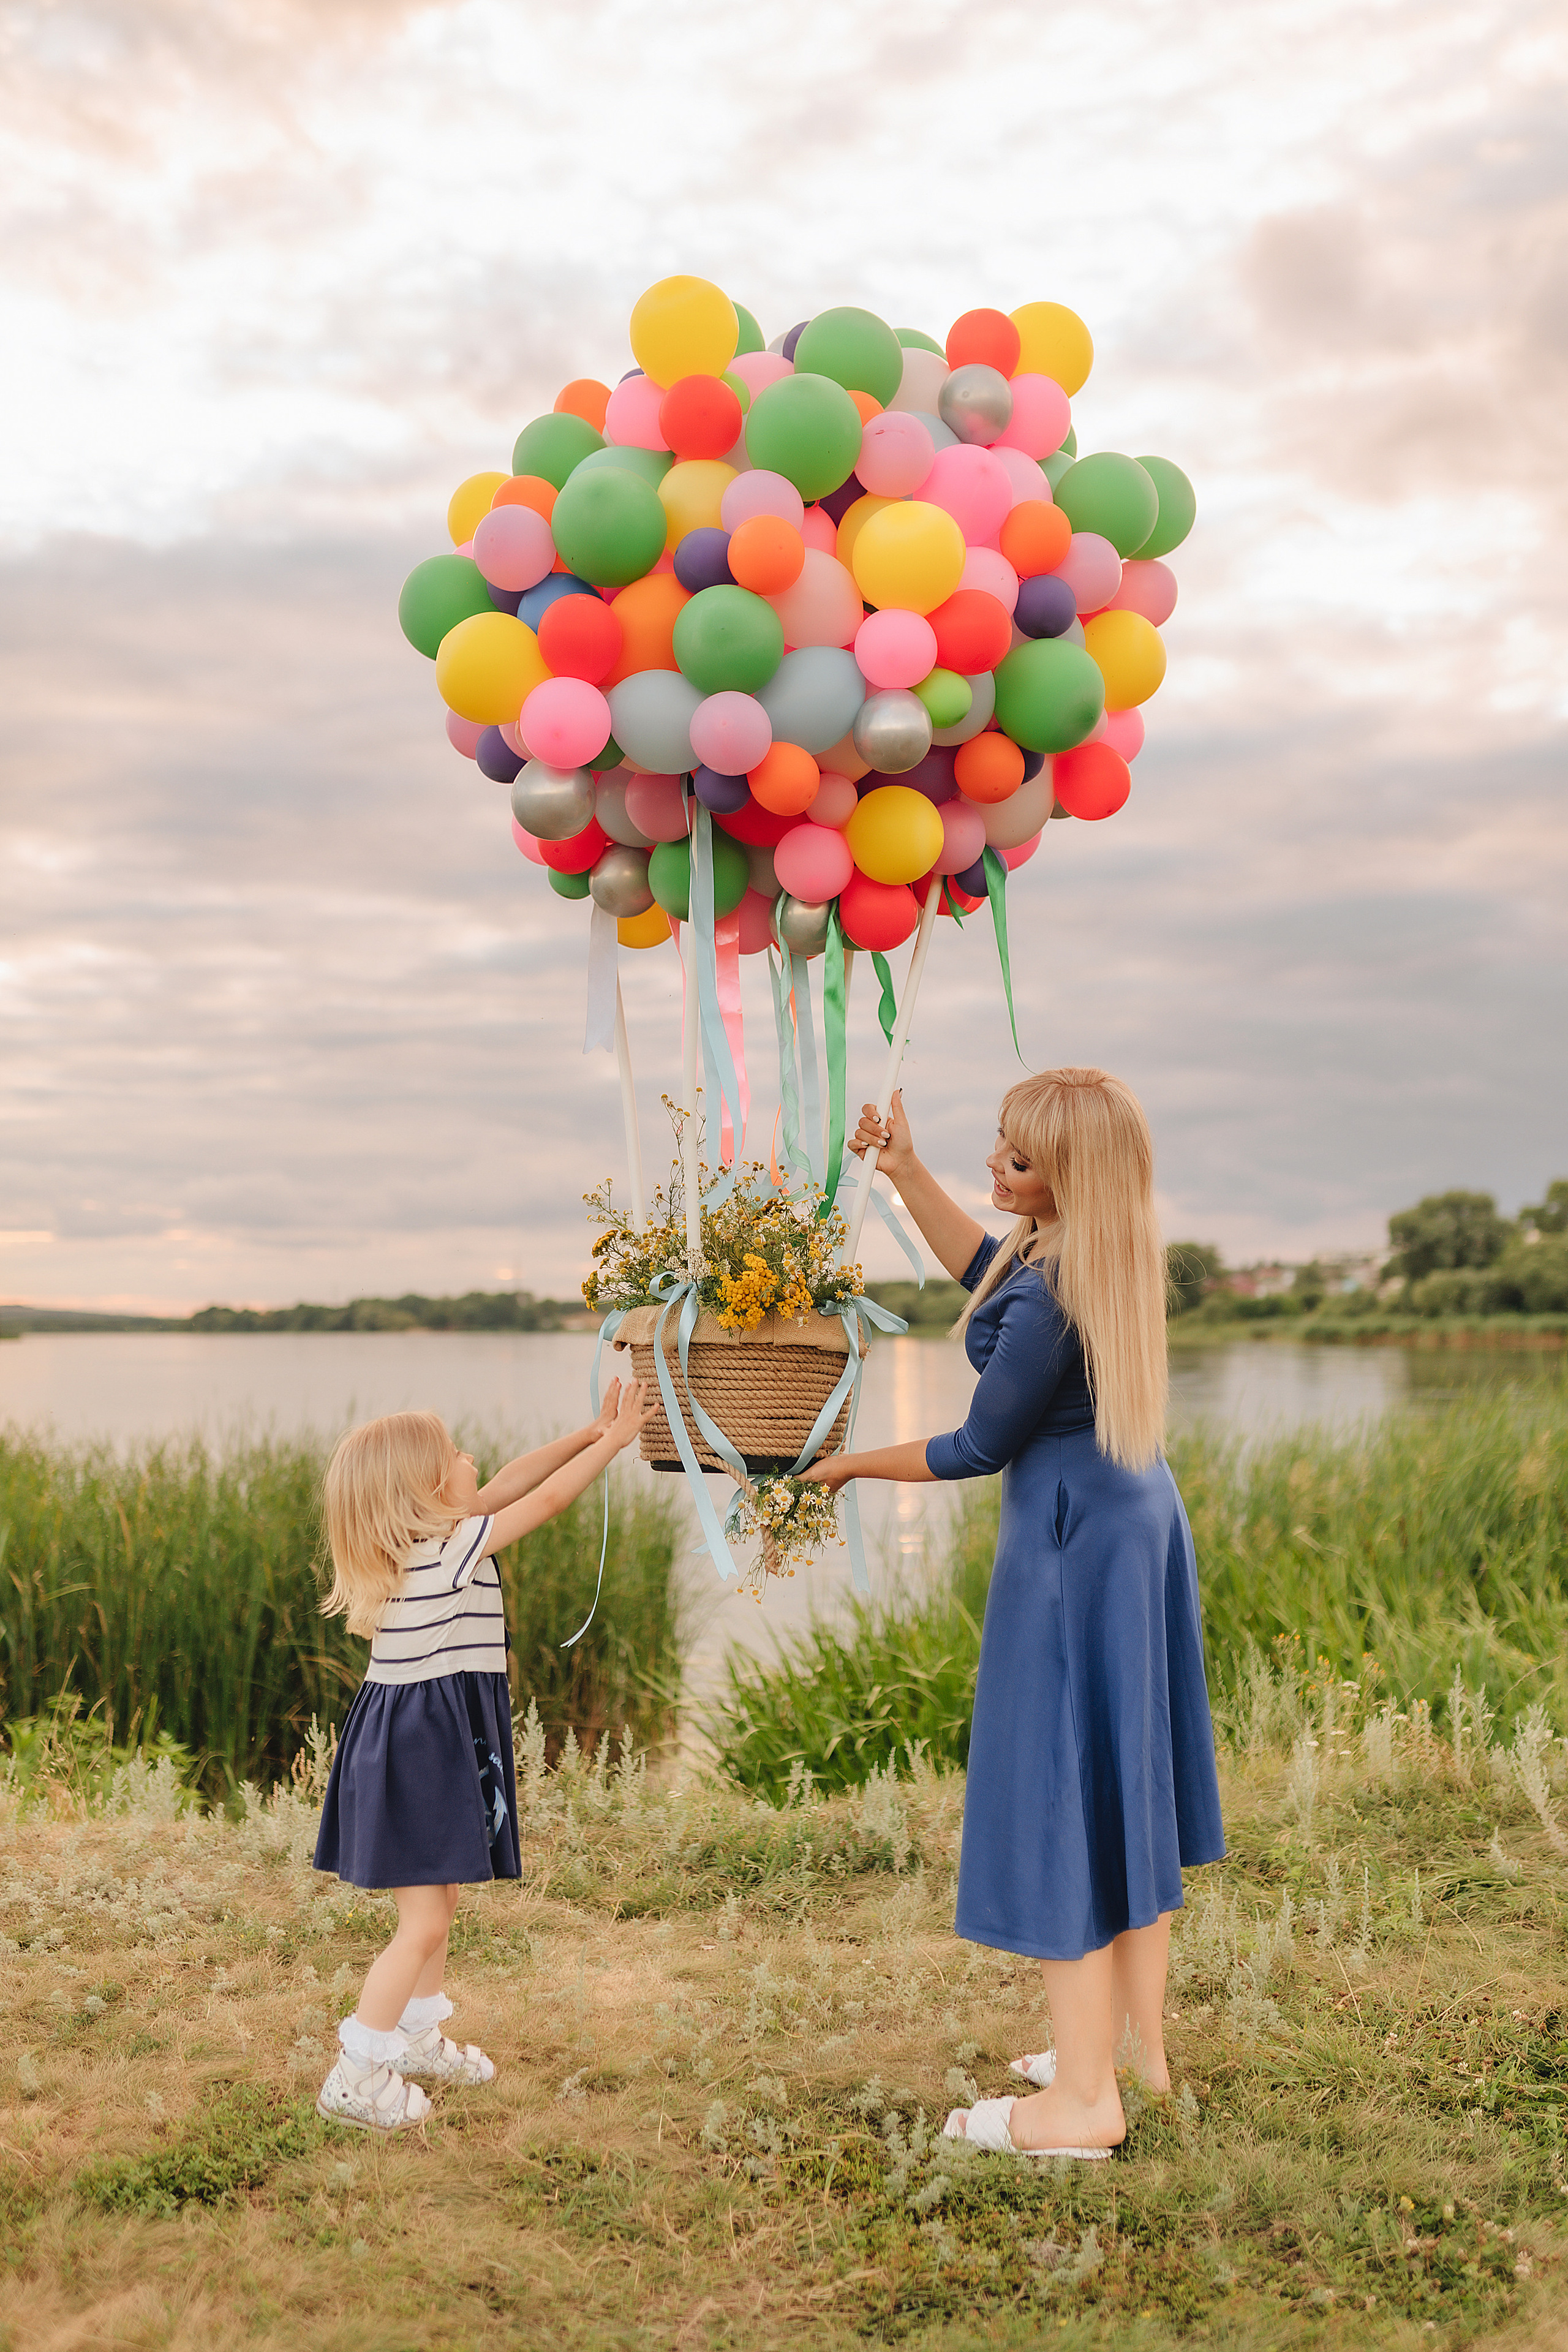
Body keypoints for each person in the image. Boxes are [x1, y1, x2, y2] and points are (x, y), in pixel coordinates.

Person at [804, 1068, 1224, 2158]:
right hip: (1134, 1511)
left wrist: (849, 1461)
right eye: (998, 1146)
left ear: (1064, 1179)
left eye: (1018, 1159)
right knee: (1125, 1784)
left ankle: (1082, 2105)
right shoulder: (1087, 1252)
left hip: (1075, 1540)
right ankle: (1135, 2053)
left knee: (1061, 1796)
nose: (997, 1167)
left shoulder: (1050, 1288)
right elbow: (982, 1268)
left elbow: (977, 1446)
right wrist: (905, 1173)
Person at [311, 1381, 649, 2132]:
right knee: (423, 1923)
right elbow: (548, 1500)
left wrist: (590, 1431)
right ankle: (356, 2072)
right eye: (457, 1454)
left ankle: (414, 2039)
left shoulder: (430, 1545)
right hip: (419, 1752)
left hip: (412, 1743)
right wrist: (615, 1445)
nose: (473, 1460)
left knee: (441, 1902)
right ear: (427, 1490)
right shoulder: (455, 1548)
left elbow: (517, 1478)